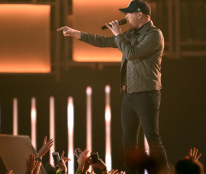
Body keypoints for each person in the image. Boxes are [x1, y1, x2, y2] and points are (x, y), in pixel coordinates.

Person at [57, 0, 168, 173]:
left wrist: (118, 33)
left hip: (147, 93)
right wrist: (76, 33)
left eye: (128, 13)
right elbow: (102, 41)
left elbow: (132, 54)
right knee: (128, 140)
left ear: (140, 14)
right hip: (130, 94)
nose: (125, 17)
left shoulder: (154, 35)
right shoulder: (131, 34)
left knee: (152, 138)